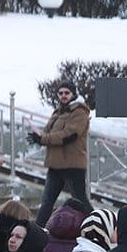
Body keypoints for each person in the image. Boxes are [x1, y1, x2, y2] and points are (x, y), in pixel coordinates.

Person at [34, 83, 92, 226]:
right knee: (47, 202)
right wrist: (39, 137)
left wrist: (44, 139)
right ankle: (36, 232)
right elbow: (49, 133)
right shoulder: (58, 112)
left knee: (80, 200)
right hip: (55, 164)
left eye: (67, 92)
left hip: (72, 165)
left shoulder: (79, 111)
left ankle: (99, 225)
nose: (63, 96)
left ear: (73, 94)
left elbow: (69, 135)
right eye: (60, 93)